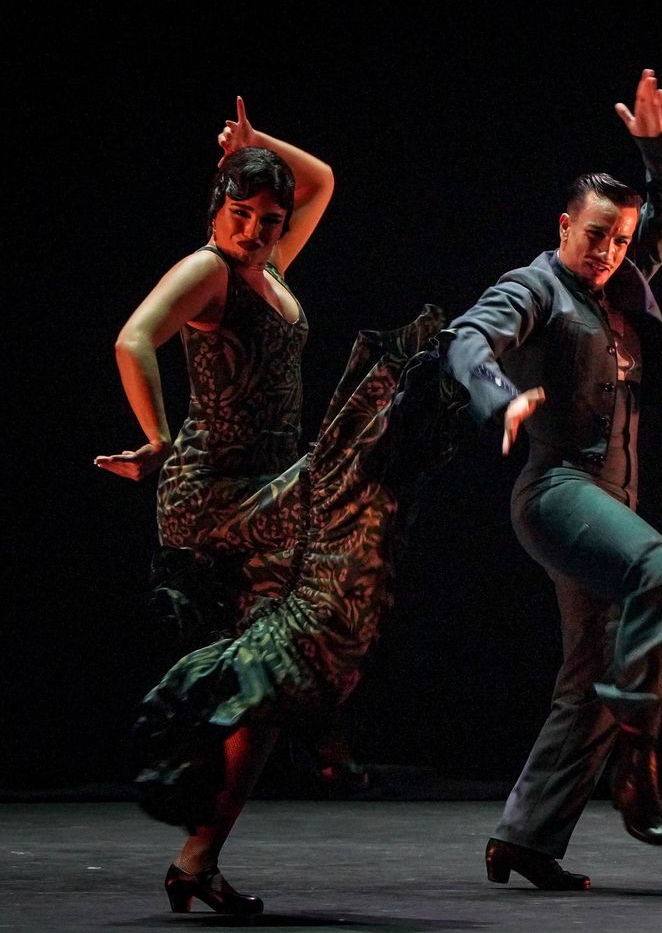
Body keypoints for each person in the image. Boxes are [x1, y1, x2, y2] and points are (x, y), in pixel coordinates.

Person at [97, 98, 463, 915]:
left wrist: (257, 142)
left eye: (269, 219)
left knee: (265, 689)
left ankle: (198, 860)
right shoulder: (210, 269)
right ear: (217, 209)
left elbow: (322, 180)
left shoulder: (270, 266)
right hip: (217, 495)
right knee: (357, 466)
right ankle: (320, 721)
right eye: (242, 215)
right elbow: (133, 338)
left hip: (269, 491)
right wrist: (155, 439)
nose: (256, 230)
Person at [442, 68, 662, 891]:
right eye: (594, 236)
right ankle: (638, 744)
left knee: (588, 672)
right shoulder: (536, 287)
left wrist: (656, 143)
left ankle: (524, 838)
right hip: (557, 490)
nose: (608, 252)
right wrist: (500, 397)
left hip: (610, 500)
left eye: (620, 239)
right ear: (564, 225)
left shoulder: (624, 276)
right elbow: (467, 338)